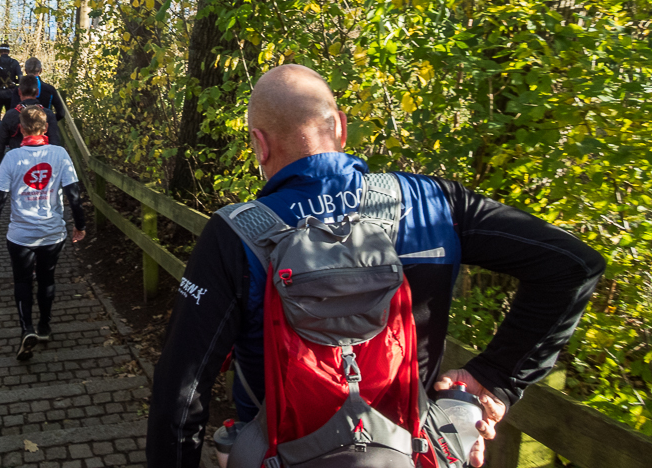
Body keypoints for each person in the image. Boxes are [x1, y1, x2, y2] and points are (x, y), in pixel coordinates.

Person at [146, 64, 605, 468]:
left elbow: (180, 390)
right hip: (410, 453)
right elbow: (572, 265)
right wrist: (496, 378)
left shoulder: (235, 234)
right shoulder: (433, 203)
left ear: (259, 144)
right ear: (341, 128)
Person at [0, 105, 87, 361]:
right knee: (47, 279)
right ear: (45, 128)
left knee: (22, 281)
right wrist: (80, 224)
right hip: (52, 233)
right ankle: (44, 326)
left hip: (20, 234)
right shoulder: (60, 154)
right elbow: (74, 195)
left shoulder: (11, 158)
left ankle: (26, 329)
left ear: (20, 129)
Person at [0, 75, 62, 168]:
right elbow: (55, 143)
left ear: (19, 91)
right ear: (37, 92)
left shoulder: (11, 115)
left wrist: (0, 169)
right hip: (42, 165)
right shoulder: (48, 115)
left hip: (17, 164)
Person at [9, 57, 66, 121]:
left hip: (23, 127)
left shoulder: (18, 89)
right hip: (44, 126)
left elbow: (13, 111)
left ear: (25, 71)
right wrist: (49, 120)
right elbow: (61, 113)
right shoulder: (50, 89)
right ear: (41, 70)